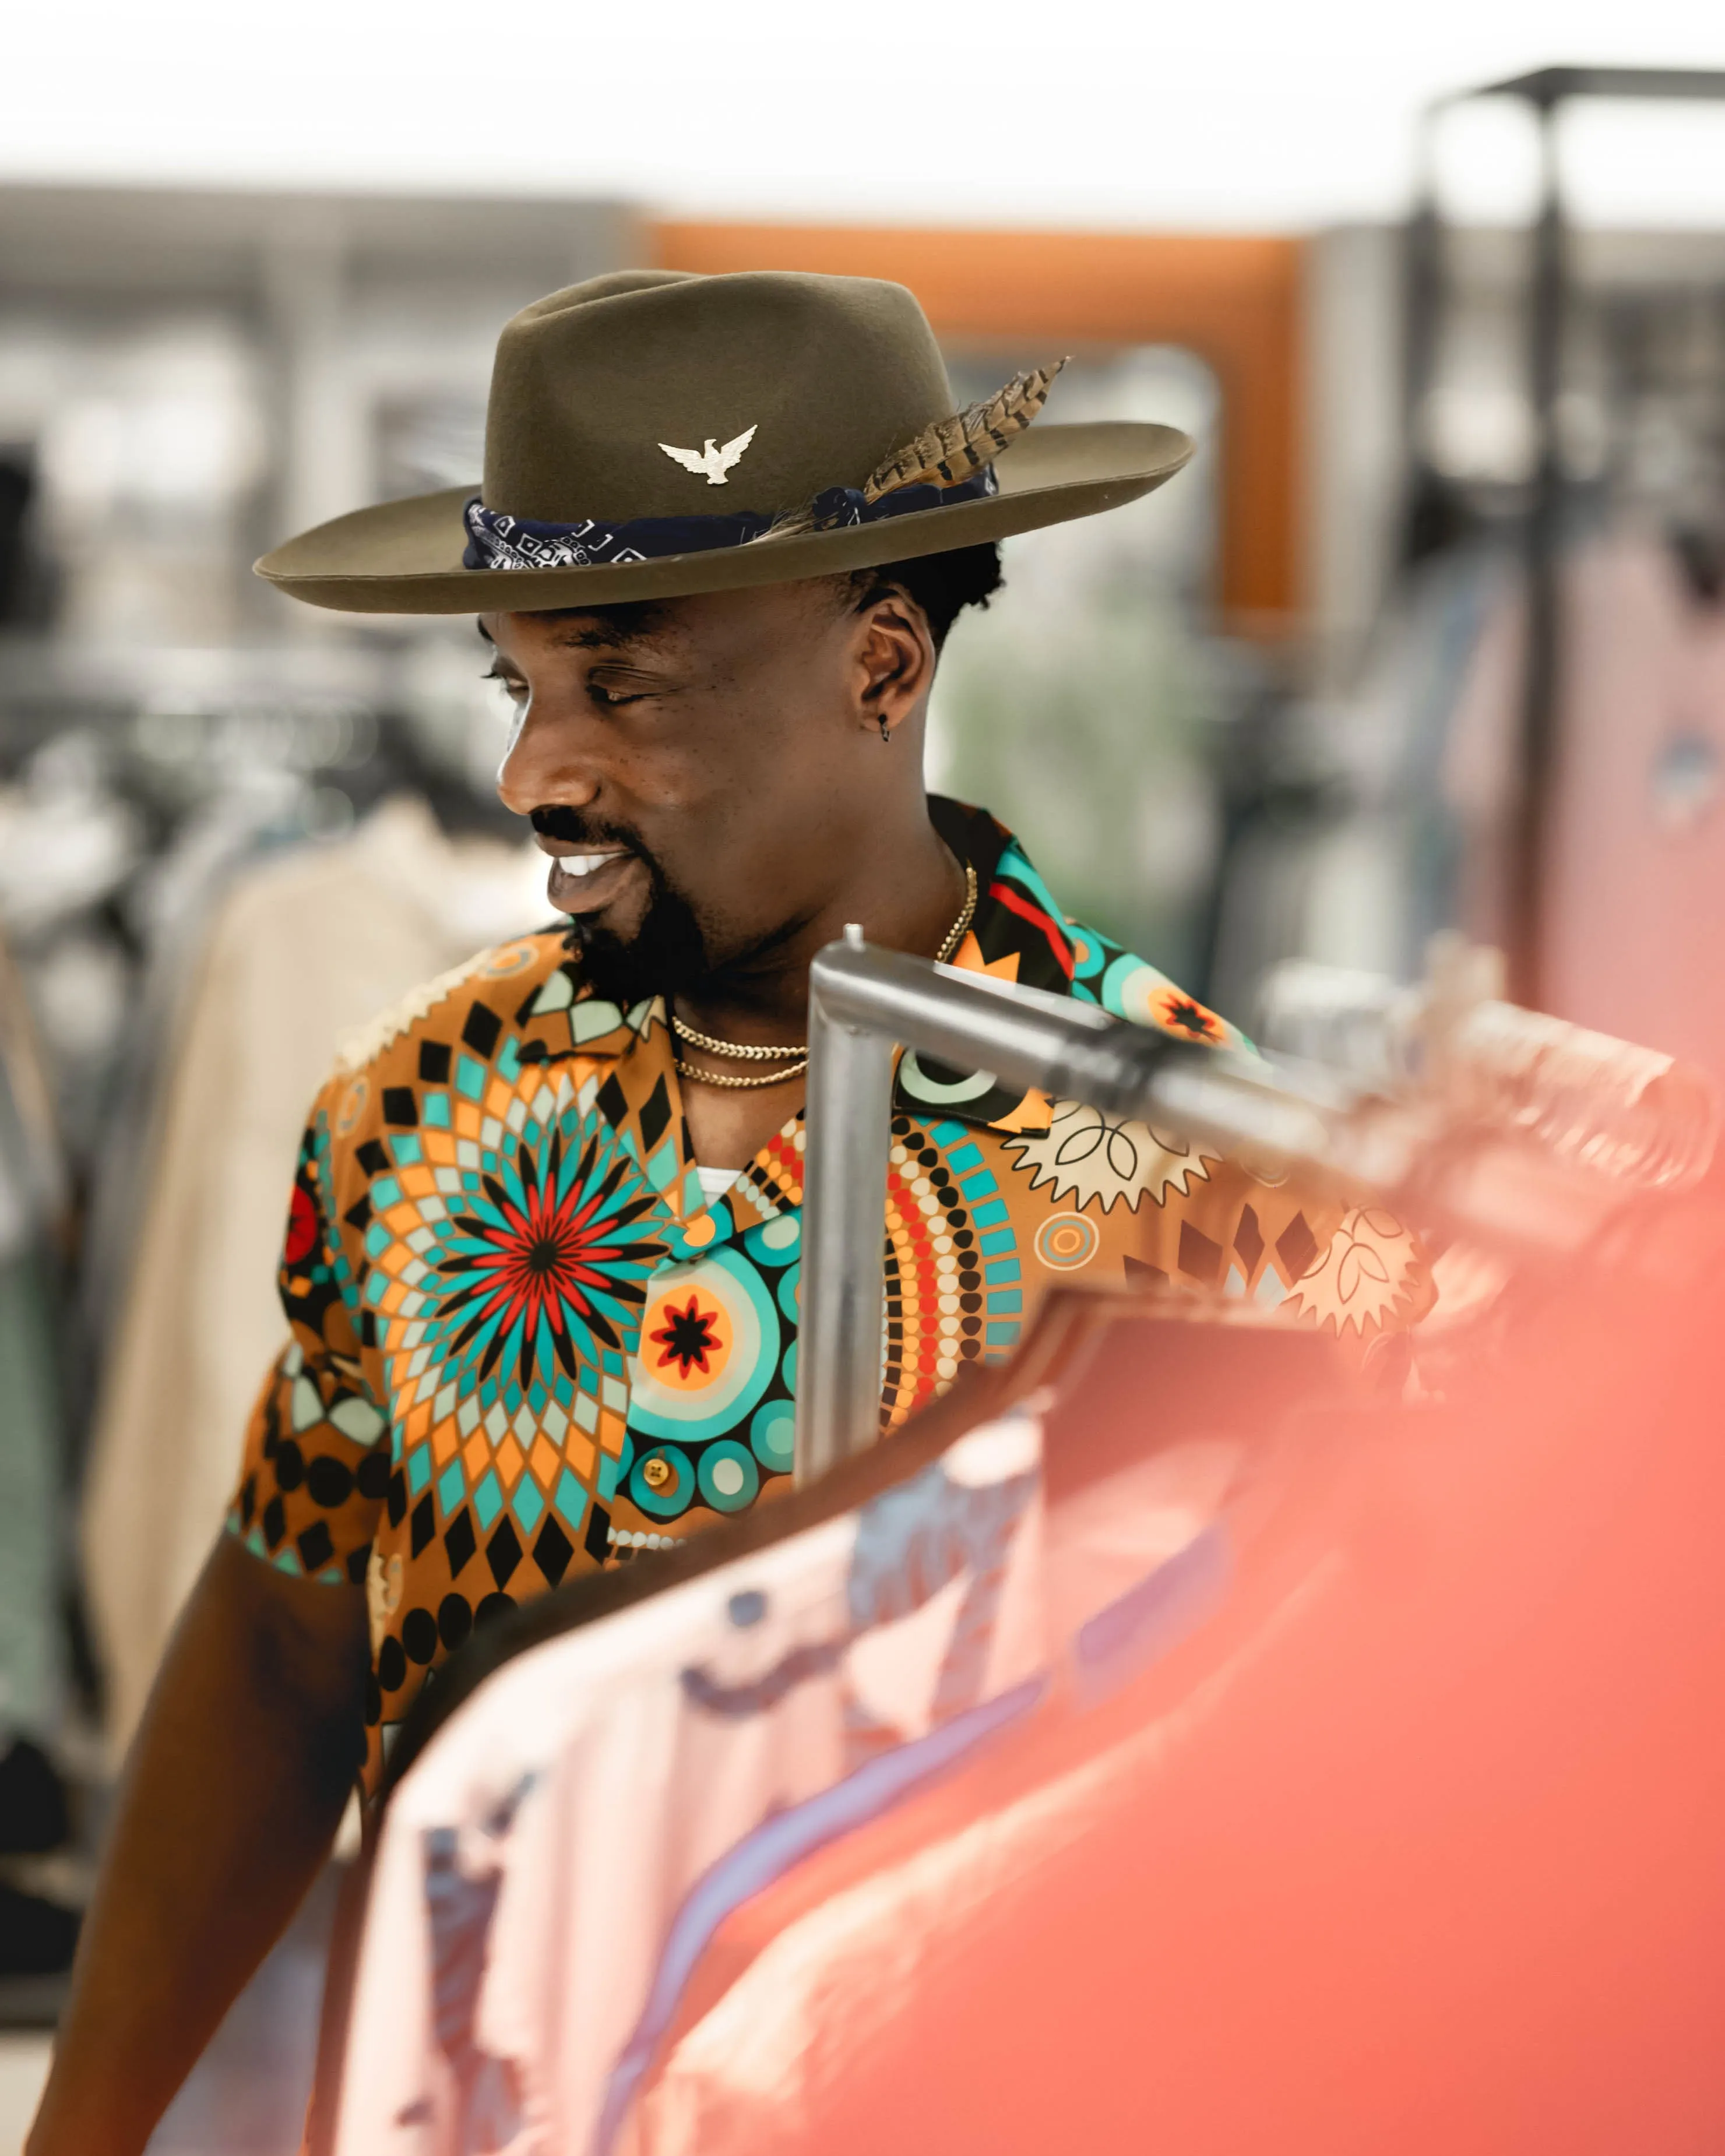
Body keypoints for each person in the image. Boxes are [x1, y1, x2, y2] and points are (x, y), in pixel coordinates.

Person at [28, 269, 1430, 2154]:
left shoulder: (1213, 1183)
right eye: (521, 684)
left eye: (622, 681)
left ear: (881, 665)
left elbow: (1329, 1802)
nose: (536, 769)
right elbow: (286, 1641)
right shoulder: (428, 1102)